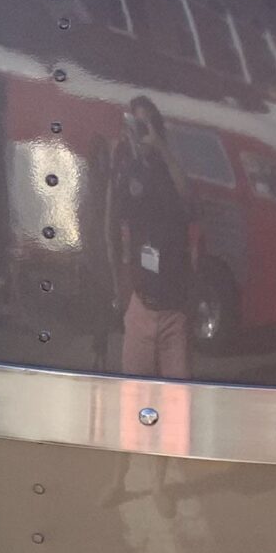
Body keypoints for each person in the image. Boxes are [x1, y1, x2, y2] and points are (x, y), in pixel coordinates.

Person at [107, 94, 193, 379]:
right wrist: (120, 154)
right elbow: (110, 223)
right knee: (135, 397)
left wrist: (162, 149)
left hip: (175, 309)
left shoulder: (168, 171)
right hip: (141, 304)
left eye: (146, 126)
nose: (140, 134)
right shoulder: (126, 171)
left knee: (177, 402)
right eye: (134, 126)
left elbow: (190, 202)